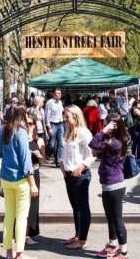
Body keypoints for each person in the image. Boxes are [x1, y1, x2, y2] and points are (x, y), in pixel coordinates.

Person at [0, 105, 39, 259]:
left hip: (6, 178)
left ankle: (8, 252)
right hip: (21, 180)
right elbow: (25, 161)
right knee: (21, 218)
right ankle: (19, 254)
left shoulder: (1, 130)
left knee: (9, 217)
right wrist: (33, 183)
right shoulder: (20, 132)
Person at [89, 113, 129, 259]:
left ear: (113, 126)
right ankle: (112, 245)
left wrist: (103, 131)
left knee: (117, 219)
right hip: (108, 185)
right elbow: (96, 148)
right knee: (110, 218)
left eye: (106, 123)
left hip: (115, 186)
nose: (104, 126)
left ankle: (123, 252)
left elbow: (92, 144)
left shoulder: (115, 142)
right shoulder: (112, 141)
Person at [61, 105, 95, 250]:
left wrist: (81, 167)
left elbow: (92, 154)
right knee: (75, 208)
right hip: (68, 175)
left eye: (67, 117)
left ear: (75, 117)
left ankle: (83, 240)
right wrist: (62, 165)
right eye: (64, 117)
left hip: (80, 175)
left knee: (82, 208)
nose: (65, 120)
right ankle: (78, 234)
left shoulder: (84, 133)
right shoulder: (68, 131)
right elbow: (65, 151)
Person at [25, 114, 46, 245]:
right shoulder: (18, 138)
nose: (29, 125)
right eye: (26, 123)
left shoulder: (39, 140)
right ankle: (18, 233)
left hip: (35, 172)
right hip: (21, 175)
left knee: (33, 205)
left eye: (31, 123)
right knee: (21, 205)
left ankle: (29, 234)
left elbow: (44, 159)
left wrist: (39, 155)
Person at [45, 88, 64, 167]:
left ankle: (59, 160)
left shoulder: (60, 102)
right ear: (53, 94)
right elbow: (47, 115)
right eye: (57, 93)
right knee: (52, 144)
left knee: (61, 143)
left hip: (60, 123)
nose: (58, 95)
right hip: (53, 124)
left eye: (59, 93)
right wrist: (48, 127)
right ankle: (47, 154)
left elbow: (62, 111)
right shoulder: (49, 103)